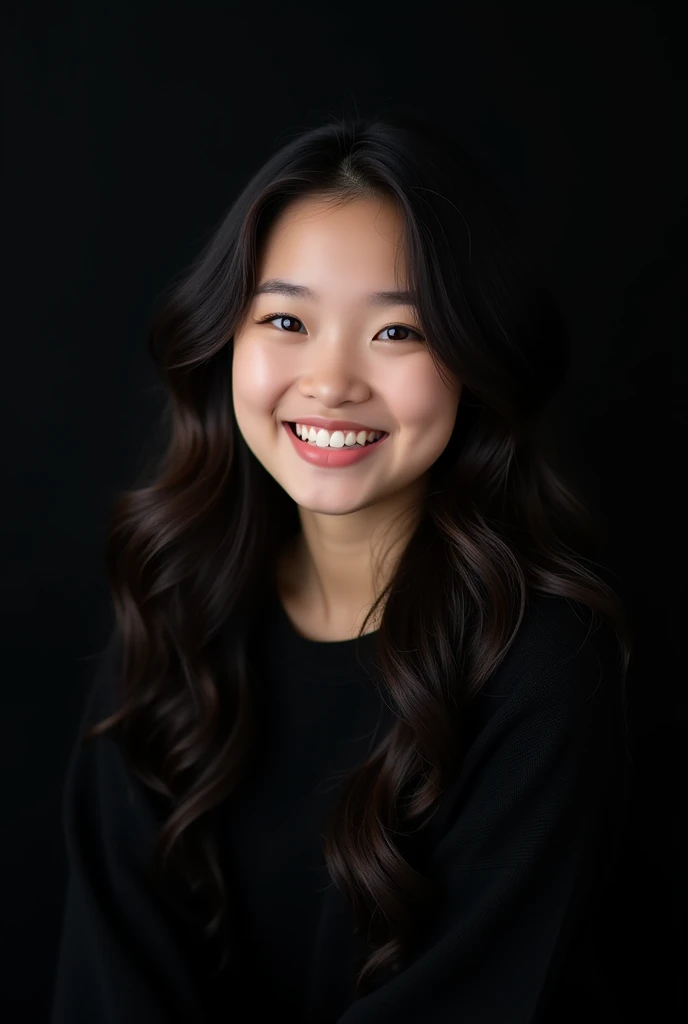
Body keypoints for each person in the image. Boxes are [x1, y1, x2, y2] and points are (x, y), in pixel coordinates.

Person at [50, 107, 634, 1023]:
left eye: (397, 333)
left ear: (475, 359)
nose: (330, 381)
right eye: (286, 318)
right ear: (225, 340)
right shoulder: (177, 610)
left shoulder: (542, 670)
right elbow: (109, 984)